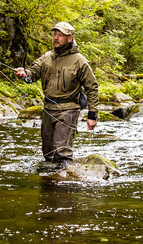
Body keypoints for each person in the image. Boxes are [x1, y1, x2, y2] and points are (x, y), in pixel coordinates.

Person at [14, 22, 99, 165]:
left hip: (68, 110)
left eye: (60, 35)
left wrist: (92, 115)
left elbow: (92, 88)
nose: (56, 38)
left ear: (69, 39)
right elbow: (32, 73)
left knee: (61, 154)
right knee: (48, 153)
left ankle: (62, 183)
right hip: (48, 110)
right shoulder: (47, 57)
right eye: (55, 34)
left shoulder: (80, 61)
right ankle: (49, 184)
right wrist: (24, 74)